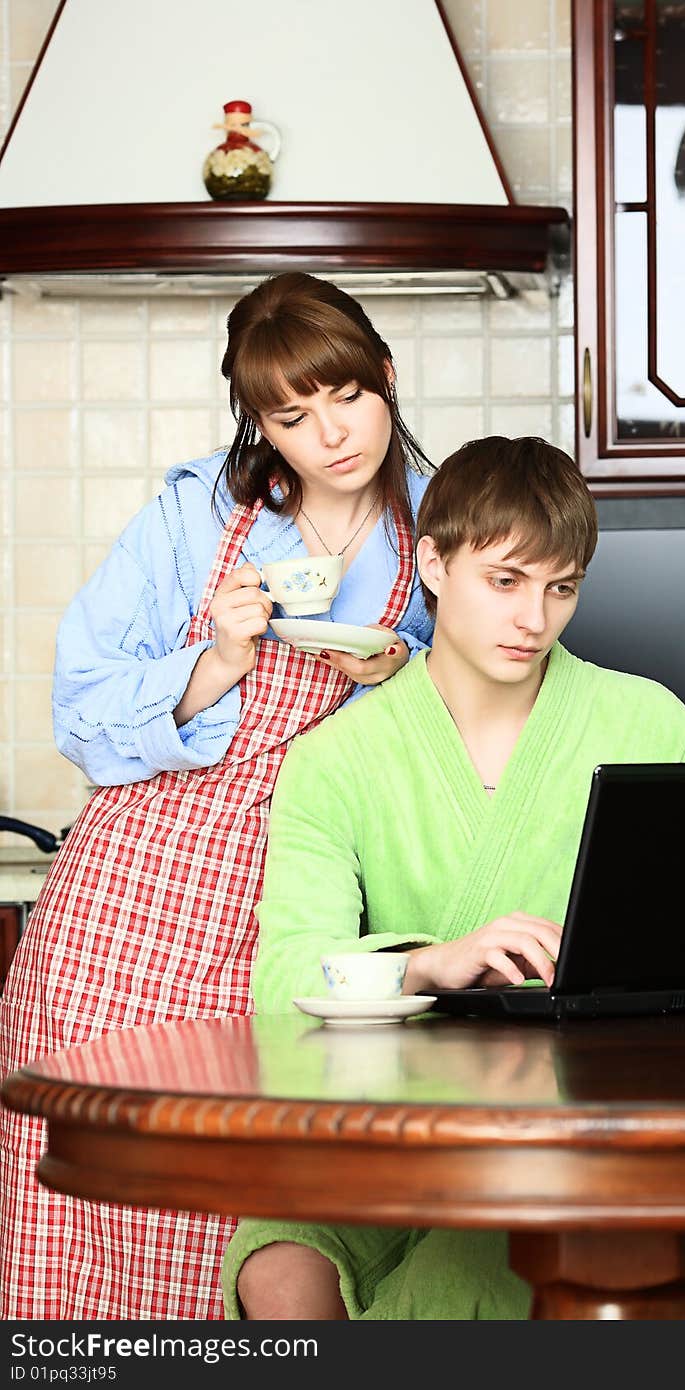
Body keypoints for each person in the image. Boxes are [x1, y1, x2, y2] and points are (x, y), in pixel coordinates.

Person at [0, 271, 435, 1320]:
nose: (330, 433)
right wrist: (219, 657)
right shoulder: (199, 511)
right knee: (91, 1189)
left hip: (299, 904)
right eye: (292, 414)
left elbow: (483, 714)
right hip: (126, 901)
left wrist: (401, 682)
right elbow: (83, 705)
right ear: (260, 424)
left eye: (344, 395)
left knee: (242, 1204)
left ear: (385, 374)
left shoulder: (444, 524)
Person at [221, 434, 685, 1321]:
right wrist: (424, 964)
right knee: (280, 1265)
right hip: (385, 1136)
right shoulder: (334, 761)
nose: (535, 619)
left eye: (560, 587)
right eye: (506, 581)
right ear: (435, 564)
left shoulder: (656, 727)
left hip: (575, 1140)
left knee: (475, 1275)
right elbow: (280, 984)